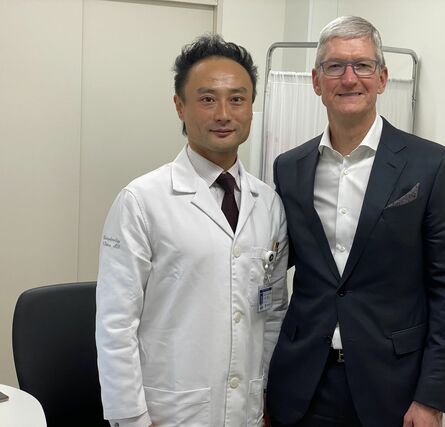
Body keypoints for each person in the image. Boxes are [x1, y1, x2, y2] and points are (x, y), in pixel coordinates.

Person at [266, 16, 445, 427]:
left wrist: (432, 398)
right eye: (334, 66)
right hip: (304, 385)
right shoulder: (289, 168)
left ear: (382, 78)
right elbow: (274, 267)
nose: (349, 78)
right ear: (316, 81)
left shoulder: (431, 165)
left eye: (362, 65)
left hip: (393, 388)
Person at [95, 34, 288, 427]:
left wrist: (268, 394)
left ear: (252, 108)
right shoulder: (142, 200)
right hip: (170, 412)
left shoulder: (268, 203)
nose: (224, 113)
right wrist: (131, 418)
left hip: (247, 410)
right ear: (180, 106)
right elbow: (116, 323)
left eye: (237, 99)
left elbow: (272, 313)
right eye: (207, 99)